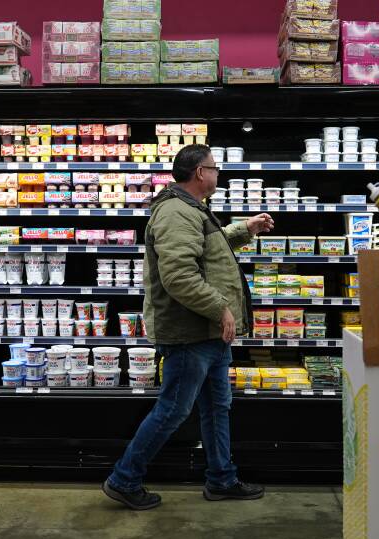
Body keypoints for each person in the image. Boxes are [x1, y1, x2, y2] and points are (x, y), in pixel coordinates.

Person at [103, 144, 275, 510]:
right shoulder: (176, 212)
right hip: (189, 332)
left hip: (208, 332)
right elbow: (179, 276)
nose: (217, 173)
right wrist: (220, 308)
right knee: (173, 409)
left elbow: (208, 249)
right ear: (200, 173)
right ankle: (124, 478)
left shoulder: (192, 209)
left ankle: (222, 479)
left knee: (216, 406)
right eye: (215, 168)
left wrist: (245, 229)